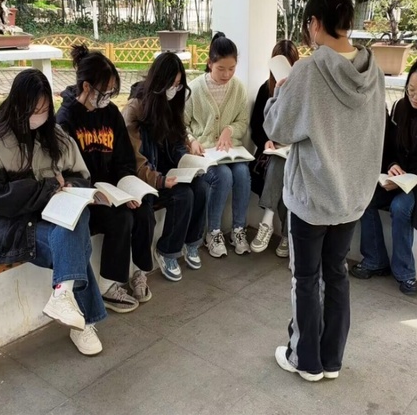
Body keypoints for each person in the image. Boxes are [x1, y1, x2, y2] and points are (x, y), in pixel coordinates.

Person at [264, 0, 385, 382]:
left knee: (305, 278)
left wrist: (279, 94)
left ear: (315, 23)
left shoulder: (308, 70)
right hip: (352, 195)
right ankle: (331, 361)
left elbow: (276, 128)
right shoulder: (373, 71)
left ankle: (306, 360)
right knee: (337, 273)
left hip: (312, 197)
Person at [0, 69, 107, 357]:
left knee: (76, 218)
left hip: (54, 219)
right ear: (17, 105)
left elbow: (82, 175)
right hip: (15, 228)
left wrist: (70, 186)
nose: (39, 116)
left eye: (44, 110)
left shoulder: (56, 136)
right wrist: (47, 188)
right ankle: (81, 319)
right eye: (33, 111)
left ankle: (64, 295)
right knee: (74, 240)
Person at [57, 44, 156, 311]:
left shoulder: (110, 113)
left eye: (113, 91)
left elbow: (124, 158)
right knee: (120, 219)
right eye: (105, 90)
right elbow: (68, 171)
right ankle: (107, 286)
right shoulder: (66, 119)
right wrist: (95, 193)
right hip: (85, 196)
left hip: (114, 190)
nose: (109, 96)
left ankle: (139, 271)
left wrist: (128, 187)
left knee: (144, 209)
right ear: (86, 87)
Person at [351, 58, 417, 296]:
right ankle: (375, 259)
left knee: (400, 207)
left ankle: (406, 273)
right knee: (365, 196)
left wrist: (408, 179)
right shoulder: (400, 108)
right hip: (398, 178)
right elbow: (388, 147)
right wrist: (393, 165)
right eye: (411, 90)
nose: (415, 97)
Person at [123, 53, 207, 282]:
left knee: (201, 186)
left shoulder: (172, 103)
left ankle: (192, 242)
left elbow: (178, 141)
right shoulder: (135, 109)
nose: (174, 90)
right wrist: (159, 180)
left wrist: (188, 161)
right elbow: (134, 160)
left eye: (179, 85)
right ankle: (167, 250)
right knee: (183, 195)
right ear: (159, 82)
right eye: (171, 84)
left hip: (169, 171)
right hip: (147, 178)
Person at [185, 32, 252, 257]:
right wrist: (192, 140)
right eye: (221, 68)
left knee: (242, 172)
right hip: (204, 153)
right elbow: (181, 125)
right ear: (209, 63)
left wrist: (229, 130)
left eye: (232, 68)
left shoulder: (238, 88)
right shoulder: (194, 89)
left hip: (230, 151)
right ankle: (213, 232)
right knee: (223, 176)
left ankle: (238, 230)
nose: (227, 74)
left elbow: (242, 121)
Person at [249, 40, 300, 258]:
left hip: (296, 152)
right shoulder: (266, 89)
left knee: (285, 167)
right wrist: (266, 142)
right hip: (270, 154)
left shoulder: (303, 92)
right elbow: (256, 126)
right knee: (280, 162)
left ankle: (267, 221)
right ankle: (287, 236)